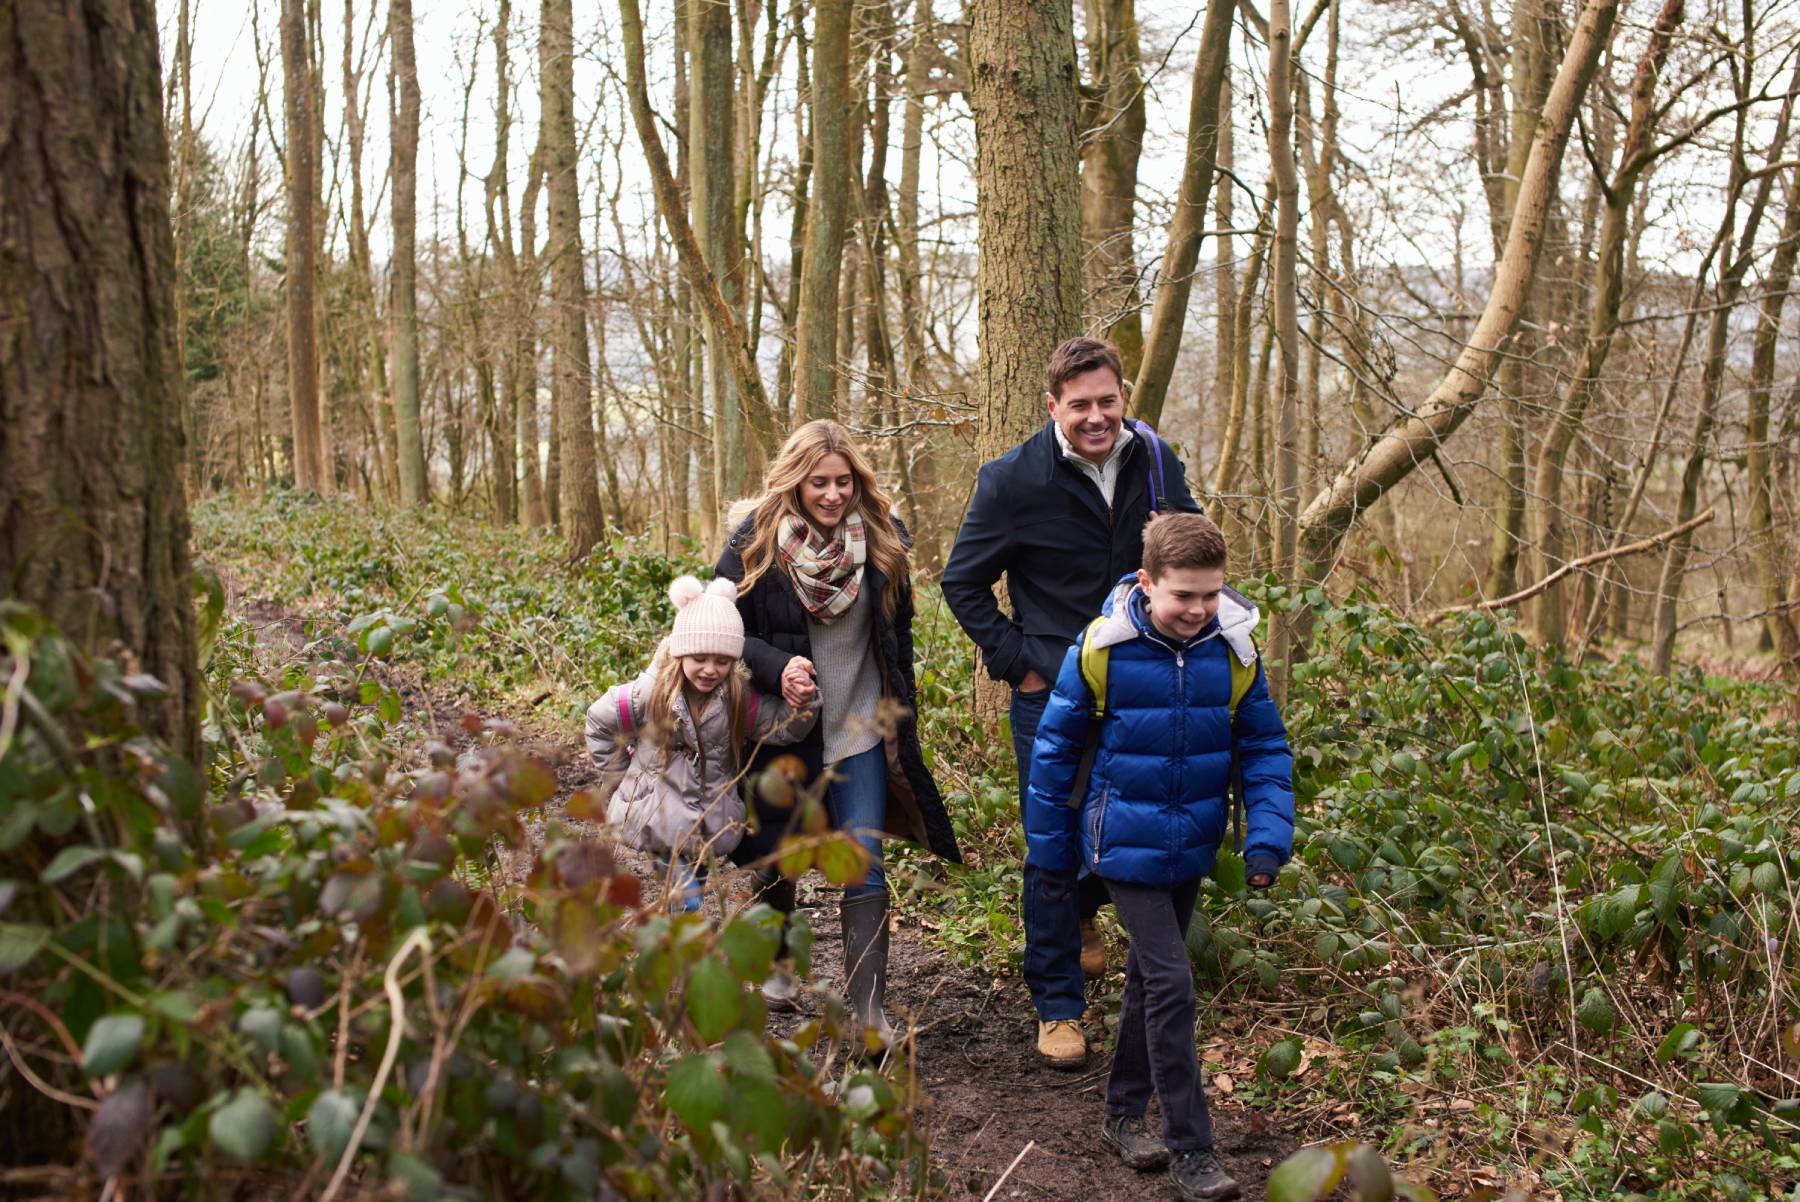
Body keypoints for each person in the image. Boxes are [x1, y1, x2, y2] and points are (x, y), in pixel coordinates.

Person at [942, 335, 1201, 1068]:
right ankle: (1058, 1005)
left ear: (1124, 399)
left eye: (1107, 402)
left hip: (1147, 685)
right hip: (1053, 691)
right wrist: (1021, 663)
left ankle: (1087, 918)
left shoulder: (1155, 461)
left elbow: (1182, 547)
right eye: (1080, 404)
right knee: (1052, 844)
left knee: (1136, 826)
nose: (1096, 417)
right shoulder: (1011, 480)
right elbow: (961, 583)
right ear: (1052, 406)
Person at [1024, 514, 1294, 1201]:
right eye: (1183, 596)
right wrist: (1052, 853)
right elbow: (1054, 753)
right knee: (1174, 985)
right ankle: (1191, 1148)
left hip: (1191, 844)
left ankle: (1122, 1114)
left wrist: (1265, 835)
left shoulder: (1233, 651)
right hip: (1120, 843)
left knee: (1149, 982)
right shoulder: (1103, 648)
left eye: (1210, 595)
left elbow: (1264, 748)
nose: (1197, 610)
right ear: (1146, 584)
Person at [716, 419, 962, 1048]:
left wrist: (900, 715)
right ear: (795, 482)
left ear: (858, 481)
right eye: (818, 482)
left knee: (864, 866)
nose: (831, 494)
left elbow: (897, 636)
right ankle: (776, 964)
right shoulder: (754, 542)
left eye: (842, 481)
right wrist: (776, 667)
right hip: (782, 732)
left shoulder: (884, 541)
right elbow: (720, 629)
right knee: (780, 859)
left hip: (858, 733)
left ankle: (871, 1010)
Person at [584, 575, 818, 911]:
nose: (710, 670)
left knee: (690, 891)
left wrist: (803, 702)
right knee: (688, 902)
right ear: (681, 654)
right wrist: (621, 779)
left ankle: (675, 952)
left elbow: (781, 727)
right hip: (659, 818)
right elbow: (599, 721)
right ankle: (684, 952)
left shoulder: (736, 698)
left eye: (722, 661)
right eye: (699, 659)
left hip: (706, 822)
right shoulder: (650, 694)